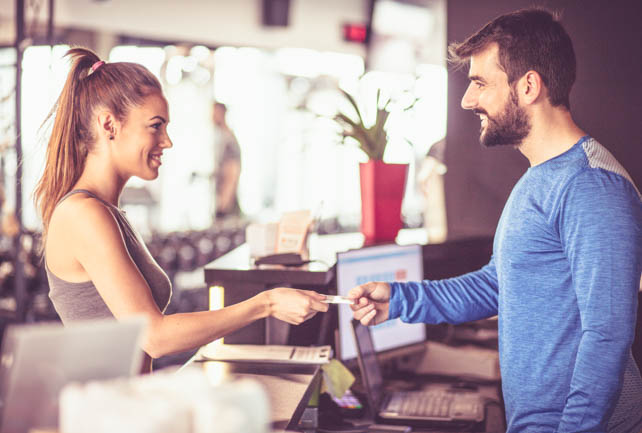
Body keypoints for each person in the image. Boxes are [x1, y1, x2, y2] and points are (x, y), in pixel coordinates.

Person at [348, 9, 641, 433]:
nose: (468, 100)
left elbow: (608, 339)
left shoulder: (592, 187)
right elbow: (497, 284)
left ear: (528, 86)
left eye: (480, 83)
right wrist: (397, 299)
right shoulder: (540, 176)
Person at [34, 48, 328, 373]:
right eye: (155, 126)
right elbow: (155, 337)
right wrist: (267, 302)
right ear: (109, 125)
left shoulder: (107, 213)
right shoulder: (84, 215)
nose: (167, 141)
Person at [211, 102, 241, 220]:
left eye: (214, 112)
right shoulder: (222, 137)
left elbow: (233, 170)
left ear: (221, 113)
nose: (211, 116)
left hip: (227, 203)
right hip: (220, 198)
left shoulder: (229, 139)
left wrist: (224, 202)